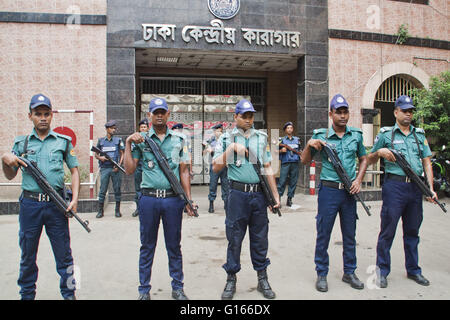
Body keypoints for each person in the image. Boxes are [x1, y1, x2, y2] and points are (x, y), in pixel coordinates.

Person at [1, 93, 80, 300]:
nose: (43, 118)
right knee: (27, 255)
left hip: (57, 206)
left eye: (46, 114)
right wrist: (6, 159)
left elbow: (74, 171)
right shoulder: (21, 143)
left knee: (65, 255)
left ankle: (70, 294)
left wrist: (75, 200)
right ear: (30, 116)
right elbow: (10, 175)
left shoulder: (63, 141)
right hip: (30, 206)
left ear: (52, 115)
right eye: (38, 114)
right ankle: (26, 295)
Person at [124, 97, 197, 300]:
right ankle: (144, 290)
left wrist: (188, 200)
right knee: (147, 246)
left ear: (167, 115)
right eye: (154, 112)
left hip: (173, 200)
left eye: (162, 112)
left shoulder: (179, 140)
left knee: (174, 245)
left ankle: (178, 287)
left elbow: (184, 172)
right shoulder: (141, 140)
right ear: (149, 115)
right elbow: (129, 169)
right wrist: (129, 143)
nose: (158, 115)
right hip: (148, 200)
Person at [212, 99, 281, 300]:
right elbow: (216, 167)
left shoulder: (261, 138)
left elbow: (267, 167)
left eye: (251, 116)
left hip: (259, 195)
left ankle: (262, 278)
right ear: (236, 117)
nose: (249, 119)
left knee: (260, 238)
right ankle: (231, 278)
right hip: (237, 195)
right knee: (234, 237)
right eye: (244, 116)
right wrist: (232, 148)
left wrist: (275, 195)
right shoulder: (226, 138)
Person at [367, 95, 437, 288]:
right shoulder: (386, 134)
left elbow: (427, 162)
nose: (408, 114)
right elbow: (369, 158)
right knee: (388, 230)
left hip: (415, 187)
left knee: (413, 231)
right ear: (396, 112)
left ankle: (414, 270)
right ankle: (382, 271)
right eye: (405, 110)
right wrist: (379, 153)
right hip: (394, 187)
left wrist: (430, 188)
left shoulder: (419, 135)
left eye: (411, 111)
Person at [301, 94, 368, 293]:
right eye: (338, 112)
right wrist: (309, 145)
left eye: (345, 112)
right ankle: (321, 273)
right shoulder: (320, 136)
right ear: (331, 114)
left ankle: (350, 272)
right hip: (329, 191)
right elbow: (305, 161)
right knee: (324, 233)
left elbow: (364, 159)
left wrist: (358, 180)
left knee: (350, 234)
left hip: (349, 192)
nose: (342, 116)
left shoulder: (355, 135)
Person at [94, 120, 124, 218]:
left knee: (117, 189)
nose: (113, 130)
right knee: (102, 190)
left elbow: (122, 153)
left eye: (114, 128)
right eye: (112, 128)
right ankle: (100, 211)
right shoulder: (101, 141)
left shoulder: (118, 140)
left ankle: (117, 211)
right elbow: (96, 154)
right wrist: (101, 158)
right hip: (105, 168)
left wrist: (118, 165)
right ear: (107, 129)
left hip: (115, 168)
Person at [204, 123, 229, 213]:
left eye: (217, 131)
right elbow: (207, 148)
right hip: (214, 166)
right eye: (215, 131)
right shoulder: (212, 140)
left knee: (225, 186)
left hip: (224, 166)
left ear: (221, 130)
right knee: (213, 185)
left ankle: (226, 204)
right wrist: (208, 149)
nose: (216, 133)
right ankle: (211, 204)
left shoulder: (226, 140)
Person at [277, 121, 302, 207]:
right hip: (285, 162)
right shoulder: (281, 140)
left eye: (291, 128)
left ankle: (289, 199)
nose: (290, 129)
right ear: (285, 130)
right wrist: (281, 150)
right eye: (288, 128)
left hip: (295, 162)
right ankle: (278, 199)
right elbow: (274, 151)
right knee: (282, 181)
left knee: (293, 181)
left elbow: (300, 150)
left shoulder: (297, 140)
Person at [132, 118, 150, 217]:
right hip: (139, 168)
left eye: (145, 127)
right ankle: (138, 209)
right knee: (138, 189)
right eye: (141, 127)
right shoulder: (135, 139)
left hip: (148, 168)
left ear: (148, 128)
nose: (143, 129)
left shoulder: (151, 138)